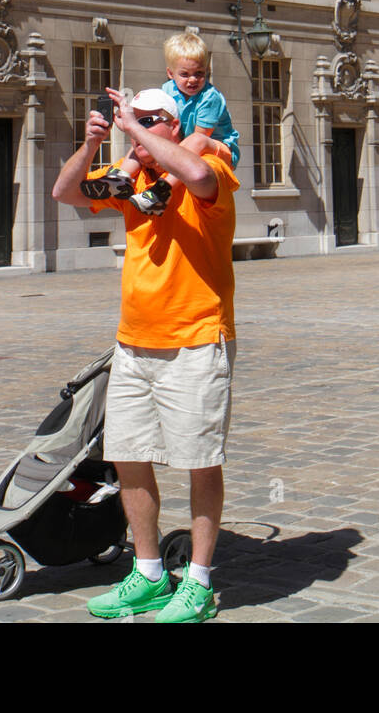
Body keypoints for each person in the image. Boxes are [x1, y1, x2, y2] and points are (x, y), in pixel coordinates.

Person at [51, 86, 239, 623]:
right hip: (133, 342)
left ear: (171, 125)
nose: (131, 124)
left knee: (199, 462)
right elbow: (65, 192)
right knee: (129, 457)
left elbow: (200, 180)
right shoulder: (134, 177)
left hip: (196, 341)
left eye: (147, 118)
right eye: (129, 115)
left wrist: (132, 130)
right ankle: (151, 573)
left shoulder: (210, 166)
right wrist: (93, 143)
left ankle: (198, 582)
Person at [123, 31, 241, 217]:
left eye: (199, 73)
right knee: (143, 139)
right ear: (170, 73)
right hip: (188, 141)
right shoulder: (167, 90)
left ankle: (162, 190)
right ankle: (119, 177)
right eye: (185, 74)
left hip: (220, 148)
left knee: (197, 140)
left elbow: (201, 137)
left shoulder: (210, 98)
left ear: (207, 71)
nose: (193, 79)